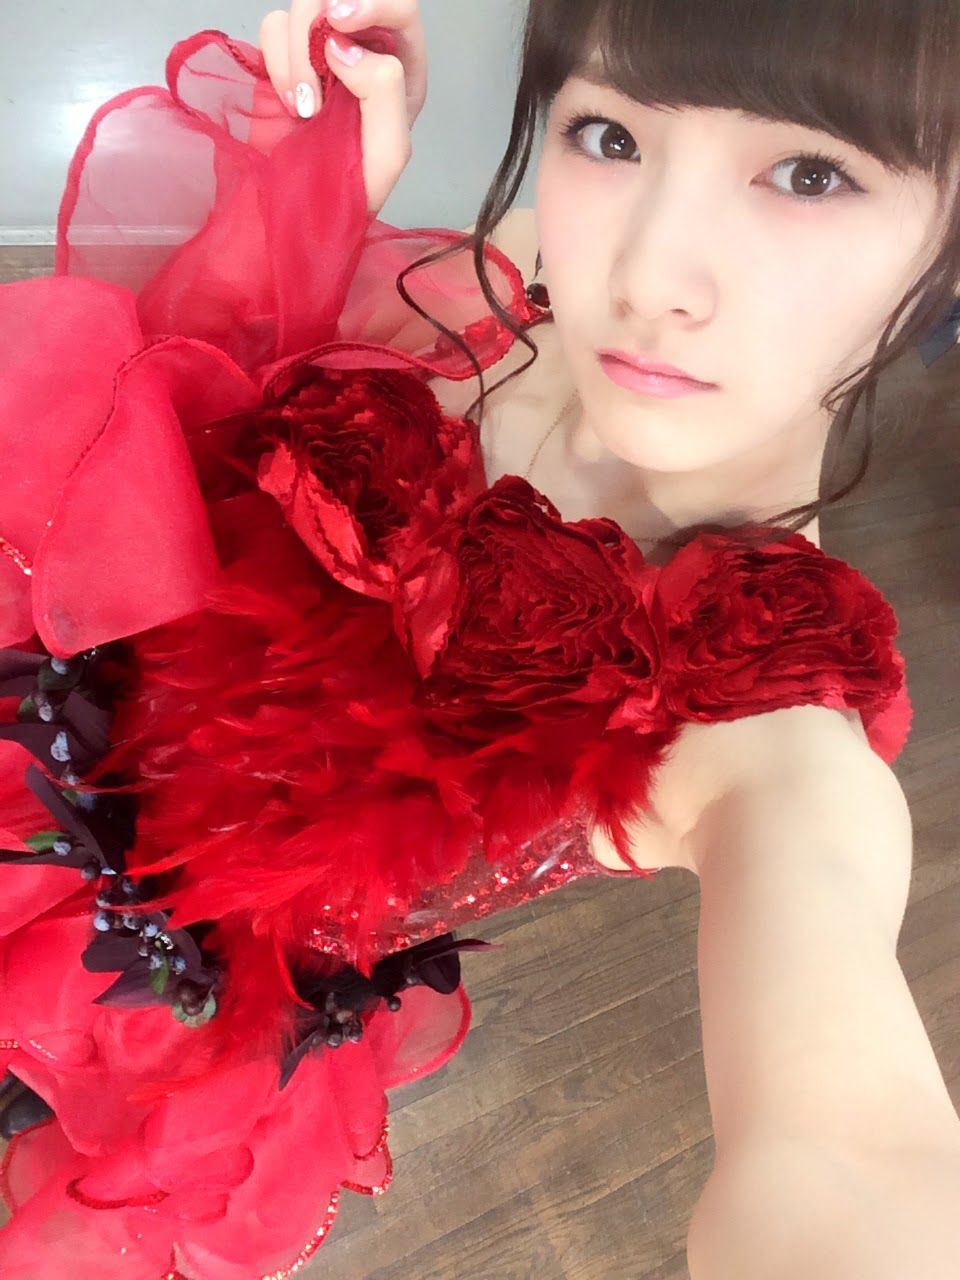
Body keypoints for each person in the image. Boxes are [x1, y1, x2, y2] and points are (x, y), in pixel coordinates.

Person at [0, 1, 958, 1276]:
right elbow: (179, 414)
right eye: (611, 136)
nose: (648, 275)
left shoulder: (766, 733)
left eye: (810, 173)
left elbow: (850, 1160)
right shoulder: (510, 284)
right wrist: (325, 186)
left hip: (151, 1004)